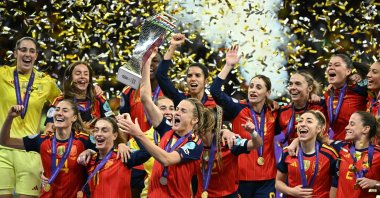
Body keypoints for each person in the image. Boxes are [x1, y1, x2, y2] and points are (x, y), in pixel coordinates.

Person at [210, 45, 278, 197]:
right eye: (251, 86)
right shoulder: (237, 108)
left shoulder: (274, 112)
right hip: (240, 177)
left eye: (258, 87)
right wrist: (228, 65)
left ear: (268, 93)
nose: (253, 90)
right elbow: (215, 91)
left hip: (266, 179)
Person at [0, 37, 61, 198]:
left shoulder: (46, 82)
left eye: (32, 51)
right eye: (23, 50)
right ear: (15, 53)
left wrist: (49, 122)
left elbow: (60, 103)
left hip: (30, 150)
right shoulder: (2, 74)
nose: (27, 54)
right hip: (2, 149)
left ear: (36, 56)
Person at [0, 100, 94, 197]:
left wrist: (90, 151)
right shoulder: (41, 140)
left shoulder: (84, 140)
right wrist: (9, 117)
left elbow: (108, 150)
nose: (59, 113)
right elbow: (5, 141)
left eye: (65, 110)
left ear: (74, 118)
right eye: (57, 110)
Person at [119, 96, 207, 197]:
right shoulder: (167, 130)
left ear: (194, 119)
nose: (176, 113)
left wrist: (138, 134)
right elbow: (145, 98)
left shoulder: (195, 143)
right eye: (177, 109)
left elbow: (166, 159)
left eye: (183, 111)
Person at [194, 106, 263, 198]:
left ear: (210, 127)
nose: (196, 130)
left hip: (228, 195)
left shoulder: (229, 142)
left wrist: (253, 132)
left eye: (200, 126)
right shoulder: (193, 145)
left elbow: (257, 144)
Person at [76, 117, 150, 198]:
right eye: (96, 130)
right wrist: (89, 151)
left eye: (104, 130)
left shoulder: (122, 157)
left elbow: (147, 152)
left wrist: (136, 133)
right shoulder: (89, 160)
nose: (99, 134)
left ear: (114, 135)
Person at [275, 110, 338, 198]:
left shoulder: (329, 154)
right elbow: (278, 183)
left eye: (309, 121)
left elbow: (336, 185)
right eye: (300, 121)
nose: (302, 124)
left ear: (318, 128)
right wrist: (292, 191)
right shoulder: (288, 152)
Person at [44, 61, 114, 132]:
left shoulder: (98, 99)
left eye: (86, 74)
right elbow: (48, 131)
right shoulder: (60, 102)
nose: (82, 76)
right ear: (70, 78)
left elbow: (113, 124)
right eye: (78, 74)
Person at [275, 70, 327, 162]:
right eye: (290, 84)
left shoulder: (321, 106)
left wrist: (297, 140)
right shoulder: (282, 111)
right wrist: (270, 101)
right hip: (293, 159)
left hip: (318, 160)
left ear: (310, 88)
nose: (292, 87)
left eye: (298, 84)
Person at [156, 33, 216, 108]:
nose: (193, 79)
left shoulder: (214, 105)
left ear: (206, 81)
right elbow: (160, 75)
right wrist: (173, 46)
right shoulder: (180, 99)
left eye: (197, 75)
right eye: (189, 76)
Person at [324, 54, 367, 140]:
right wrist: (312, 94)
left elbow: (373, 80)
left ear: (348, 71)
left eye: (337, 65)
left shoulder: (358, 90)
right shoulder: (327, 94)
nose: (331, 67)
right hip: (335, 145)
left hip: (356, 146)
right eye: (329, 65)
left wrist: (362, 79)